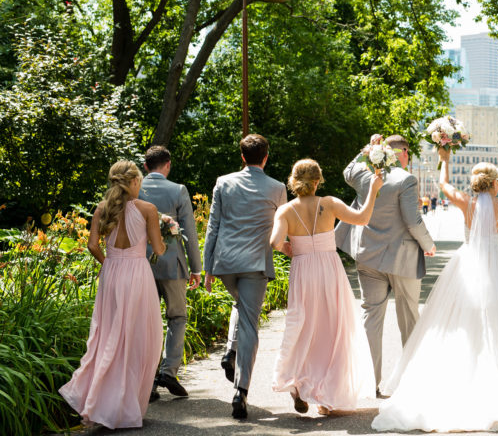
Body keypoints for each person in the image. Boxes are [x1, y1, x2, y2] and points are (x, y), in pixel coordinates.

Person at [372, 152, 498, 432]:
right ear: (495, 183)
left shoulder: (466, 203)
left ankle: (460, 375)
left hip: (467, 265)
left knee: (458, 322)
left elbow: (443, 185)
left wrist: (445, 158)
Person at [270, 159, 381, 415]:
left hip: (303, 270)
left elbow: (275, 240)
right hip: (329, 270)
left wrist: (287, 247)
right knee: (332, 329)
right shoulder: (329, 203)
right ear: (318, 180)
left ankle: (298, 383)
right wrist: (373, 190)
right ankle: (325, 396)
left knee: (303, 326)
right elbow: (363, 218)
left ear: (293, 180)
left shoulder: (286, 210)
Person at [59, 160, 165, 429]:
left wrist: (110, 265)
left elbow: (92, 245)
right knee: (140, 339)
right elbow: (159, 249)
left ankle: (100, 402)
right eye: (138, 181)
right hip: (138, 274)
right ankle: (125, 406)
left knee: (108, 336)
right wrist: (168, 233)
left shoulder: (102, 209)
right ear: (133, 182)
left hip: (112, 274)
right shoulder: (148, 209)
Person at [336, 134, 436, 395]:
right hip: (401, 259)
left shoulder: (364, 175)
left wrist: (366, 149)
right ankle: (412, 381)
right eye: (408, 154)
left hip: (367, 255)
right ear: (402, 153)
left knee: (371, 317)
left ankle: (371, 382)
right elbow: (412, 221)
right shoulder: (405, 179)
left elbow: (347, 170)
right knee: (409, 317)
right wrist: (428, 245)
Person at [203, 134, 287, 420]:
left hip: (226, 263)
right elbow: (282, 230)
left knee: (241, 306)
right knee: (250, 322)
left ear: (242, 157)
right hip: (254, 262)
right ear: (265, 157)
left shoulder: (223, 183)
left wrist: (208, 267)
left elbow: (213, 226)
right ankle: (241, 390)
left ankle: (230, 350)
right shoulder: (277, 188)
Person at [139, 146, 203, 401]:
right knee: (177, 317)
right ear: (168, 165)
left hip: (141, 266)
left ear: (145, 166)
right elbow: (190, 231)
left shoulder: (134, 189)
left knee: (146, 322)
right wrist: (196, 268)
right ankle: (169, 371)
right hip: (172, 265)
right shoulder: (178, 190)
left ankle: (149, 379)